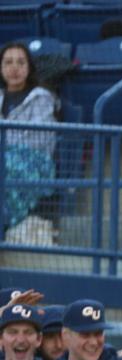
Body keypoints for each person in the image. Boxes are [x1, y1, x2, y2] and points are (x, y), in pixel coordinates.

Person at [0, 43, 56, 237]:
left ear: (29, 67)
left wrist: (6, 146)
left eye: (20, 62)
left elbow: (40, 138)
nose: (14, 68)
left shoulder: (41, 97)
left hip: (35, 162)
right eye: (8, 62)